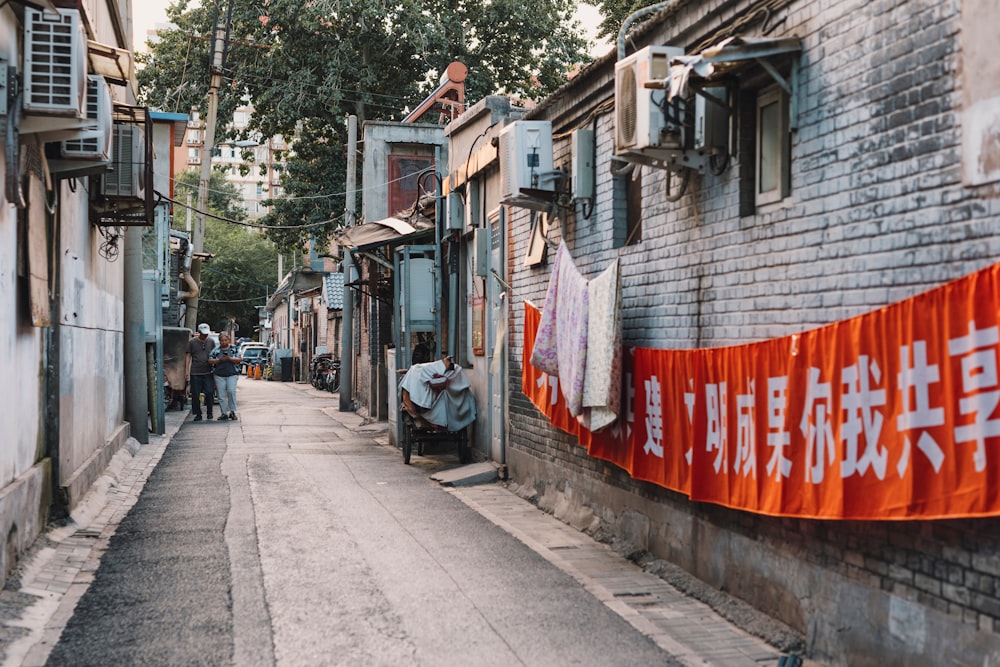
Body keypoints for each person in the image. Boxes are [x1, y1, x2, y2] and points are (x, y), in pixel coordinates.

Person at [186, 323, 216, 422]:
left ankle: (210, 412)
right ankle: (197, 414)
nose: (205, 335)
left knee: (209, 392)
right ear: (199, 332)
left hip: (208, 371)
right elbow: (188, 356)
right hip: (195, 371)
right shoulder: (192, 342)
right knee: (195, 394)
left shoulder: (211, 342)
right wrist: (187, 370)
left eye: (206, 334)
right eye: (203, 334)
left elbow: (215, 354)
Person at [210, 333, 242, 421]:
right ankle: (223, 413)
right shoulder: (216, 350)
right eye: (222, 341)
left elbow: (239, 359)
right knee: (221, 395)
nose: (224, 342)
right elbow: (210, 360)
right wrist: (219, 360)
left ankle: (232, 411)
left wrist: (229, 359)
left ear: (228, 340)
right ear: (219, 341)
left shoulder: (234, 349)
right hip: (219, 375)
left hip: (232, 374)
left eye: (225, 340)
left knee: (231, 392)